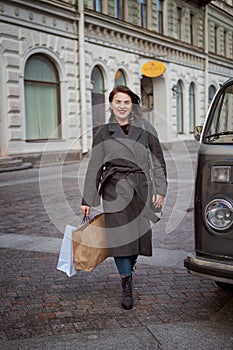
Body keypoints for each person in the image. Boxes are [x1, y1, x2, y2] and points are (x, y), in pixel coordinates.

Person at [81, 85, 167, 310]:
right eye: (118, 102)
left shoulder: (146, 129)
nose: (122, 106)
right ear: (111, 104)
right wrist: (87, 199)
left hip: (140, 187)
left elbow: (157, 160)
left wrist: (161, 189)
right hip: (114, 190)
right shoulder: (103, 132)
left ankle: (130, 266)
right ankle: (126, 282)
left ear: (132, 105)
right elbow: (94, 167)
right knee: (120, 240)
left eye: (126, 102)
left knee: (137, 239)